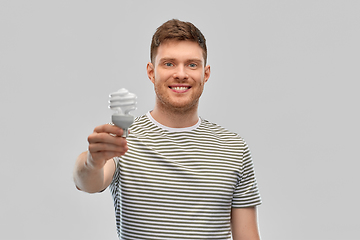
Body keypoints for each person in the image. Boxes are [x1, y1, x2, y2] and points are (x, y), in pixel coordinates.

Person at [73, 19, 262, 240]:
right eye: (169, 64)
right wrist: (92, 162)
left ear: (206, 73)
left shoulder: (233, 148)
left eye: (192, 64)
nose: (181, 74)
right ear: (151, 72)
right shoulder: (123, 138)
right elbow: (87, 182)